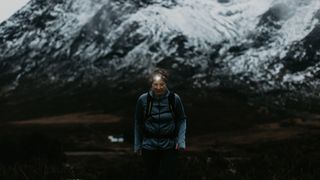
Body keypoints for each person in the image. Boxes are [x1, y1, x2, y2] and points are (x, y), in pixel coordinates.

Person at [134, 68, 187, 180]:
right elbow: (138, 122)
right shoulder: (143, 99)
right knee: (151, 175)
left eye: (161, 84)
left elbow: (182, 120)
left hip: (169, 145)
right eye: (155, 84)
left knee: (169, 175)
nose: (158, 87)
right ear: (151, 84)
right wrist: (137, 145)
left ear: (166, 84)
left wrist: (181, 141)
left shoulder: (174, 99)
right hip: (149, 145)